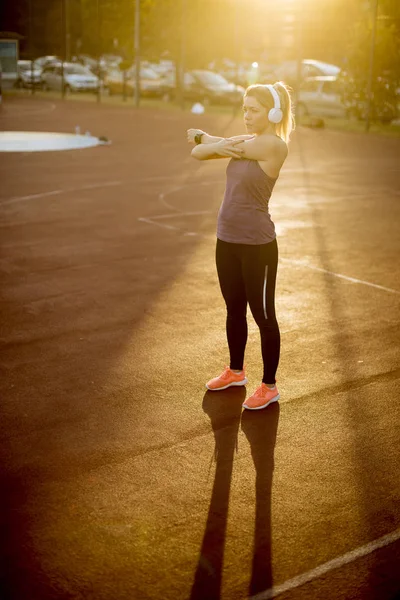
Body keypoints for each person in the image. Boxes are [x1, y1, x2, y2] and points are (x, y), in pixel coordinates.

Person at [187, 82, 294, 410]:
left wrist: (206, 137)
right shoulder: (246, 141)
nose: (246, 115)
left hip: (257, 245)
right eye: (244, 109)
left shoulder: (274, 146)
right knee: (234, 307)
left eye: (254, 110)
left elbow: (201, 143)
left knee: (263, 315)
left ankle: (269, 385)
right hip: (227, 239)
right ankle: (236, 371)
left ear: (272, 113)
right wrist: (211, 143)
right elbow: (197, 153)